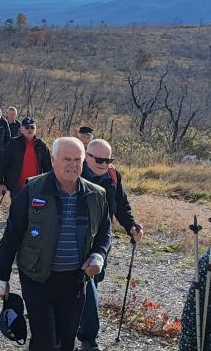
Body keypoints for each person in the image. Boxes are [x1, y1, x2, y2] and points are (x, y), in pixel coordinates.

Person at [0, 137, 112, 351]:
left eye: (77, 159)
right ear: (53, 159)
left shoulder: (96, 195)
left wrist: (99, 255)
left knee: (67, 340)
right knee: (44, 340)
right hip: (37, 278)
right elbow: (12, 234)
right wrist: (1, 276)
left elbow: (105, 231)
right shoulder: (32, 190)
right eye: (66, 159)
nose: (72, 165)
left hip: (74, 280)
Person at [76, 139, 143, 350]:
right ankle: (88, 338)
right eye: (100, 159)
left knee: (93, 284)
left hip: (102, 241)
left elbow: (121, 205)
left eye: (108, 160)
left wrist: (131, 226)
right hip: (76, 240)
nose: (104, 164)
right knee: (87, 287)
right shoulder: (73, 172)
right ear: (87, 156)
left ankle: (74, 321)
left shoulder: (113, 175)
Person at [0, 117, 53, 199]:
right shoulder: (13, 143)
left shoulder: (41, 145)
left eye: (32, 127)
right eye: (26, 127)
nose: (29, 129)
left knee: (34, 211)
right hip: (17, 186)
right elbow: (3, 164)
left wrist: (49, 184)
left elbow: (47, 167)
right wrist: (0, 183)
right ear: (21, 129)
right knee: (17, 211)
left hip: (35, 186)